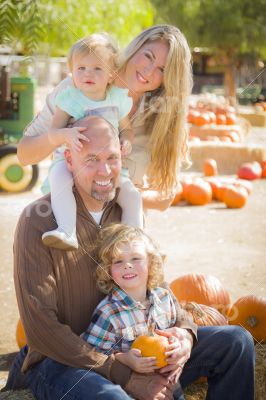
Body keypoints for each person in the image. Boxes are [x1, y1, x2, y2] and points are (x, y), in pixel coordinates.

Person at [3, 117, 255, 400]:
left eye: (112, 157)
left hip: (137, 348)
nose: (105, 170)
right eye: (92, 159)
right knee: (113, 398)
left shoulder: (127, 210)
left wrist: (185, 332)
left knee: (237, 342)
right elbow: (40, 328)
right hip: (63, 362)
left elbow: (154, 288)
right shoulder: (38, 221)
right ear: (69, 161)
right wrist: (121, 374)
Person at [17, 24, 193, 213]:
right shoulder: (76, 88)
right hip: (70, 218)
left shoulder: (161, 117)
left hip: (121, 229)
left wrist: (113, 192)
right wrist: (61, 135)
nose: (149, 71)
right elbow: (24, 155)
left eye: (162, 69)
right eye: (148, 56)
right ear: (135, 48)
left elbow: (164, 198)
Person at [41, 33, 143, 251]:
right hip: (71, 160)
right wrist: (65, 135)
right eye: (81, 68)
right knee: (59, 179)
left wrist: (126, 141)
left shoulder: (116, 98)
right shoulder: (70, 99)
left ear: (111, 74)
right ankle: (67, 231)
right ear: (72, 72)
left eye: (97, 68)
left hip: (107, 164)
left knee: (131, 195)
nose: (88, 73)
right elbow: (52, 133)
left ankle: (134, 239)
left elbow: (127, 129)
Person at [82, 223, 185, 388]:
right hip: (132, 384)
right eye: (118, 261)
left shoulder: (164, 298)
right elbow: (94, 354)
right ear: (108, 270)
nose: (127, 265)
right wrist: (124, 358)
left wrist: (176, 350)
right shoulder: (109, 312)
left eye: (135, 258)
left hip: (169, 377)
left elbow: (175, 331)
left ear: (151, 263)